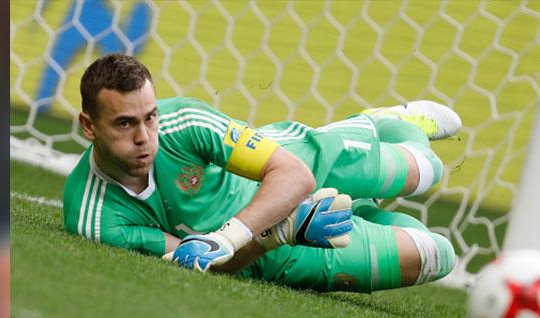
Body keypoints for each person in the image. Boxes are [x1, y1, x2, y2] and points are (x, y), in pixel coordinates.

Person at [63, 53, 462, 293]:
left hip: (296, 163)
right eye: (125, 124)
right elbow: (201, 265)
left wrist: (229, 236)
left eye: (150, 118)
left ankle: (380, 123)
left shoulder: (182, 120)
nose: (145, 138)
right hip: (280, 248)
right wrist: (273, 237)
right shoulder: (95, 218)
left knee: (426, 168)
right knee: (433, 255)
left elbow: (295, 177)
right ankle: (365, 212)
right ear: (89, 125)